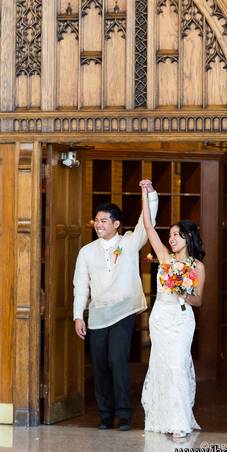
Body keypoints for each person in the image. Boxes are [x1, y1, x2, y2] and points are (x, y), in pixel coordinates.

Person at [73, 180, 158, 430]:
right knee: (99, 366)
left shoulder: (129, 242)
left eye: (104, 221)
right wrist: (78, 316)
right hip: (98, 315)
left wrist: (150, 194)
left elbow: (147, 221)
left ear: (116, 224)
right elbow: (81, 286)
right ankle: (105, 415)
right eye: (96, 220)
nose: (98, 224)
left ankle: (125, 414)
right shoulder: (86, 252)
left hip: (123, 312)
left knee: (117, 361)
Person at [140, 182, 205, 438]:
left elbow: (198, 301)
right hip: (160, 319)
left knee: (177, 366)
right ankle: (161, 418)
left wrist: (183, 294)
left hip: (181, 320)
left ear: (188, 237)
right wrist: (146, 194)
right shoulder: (165, 259)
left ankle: (179, 422)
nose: (171, 239)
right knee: (161, 367)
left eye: (176, 234)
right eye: (170, 235)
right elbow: (148, 227)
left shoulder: (197, 266)